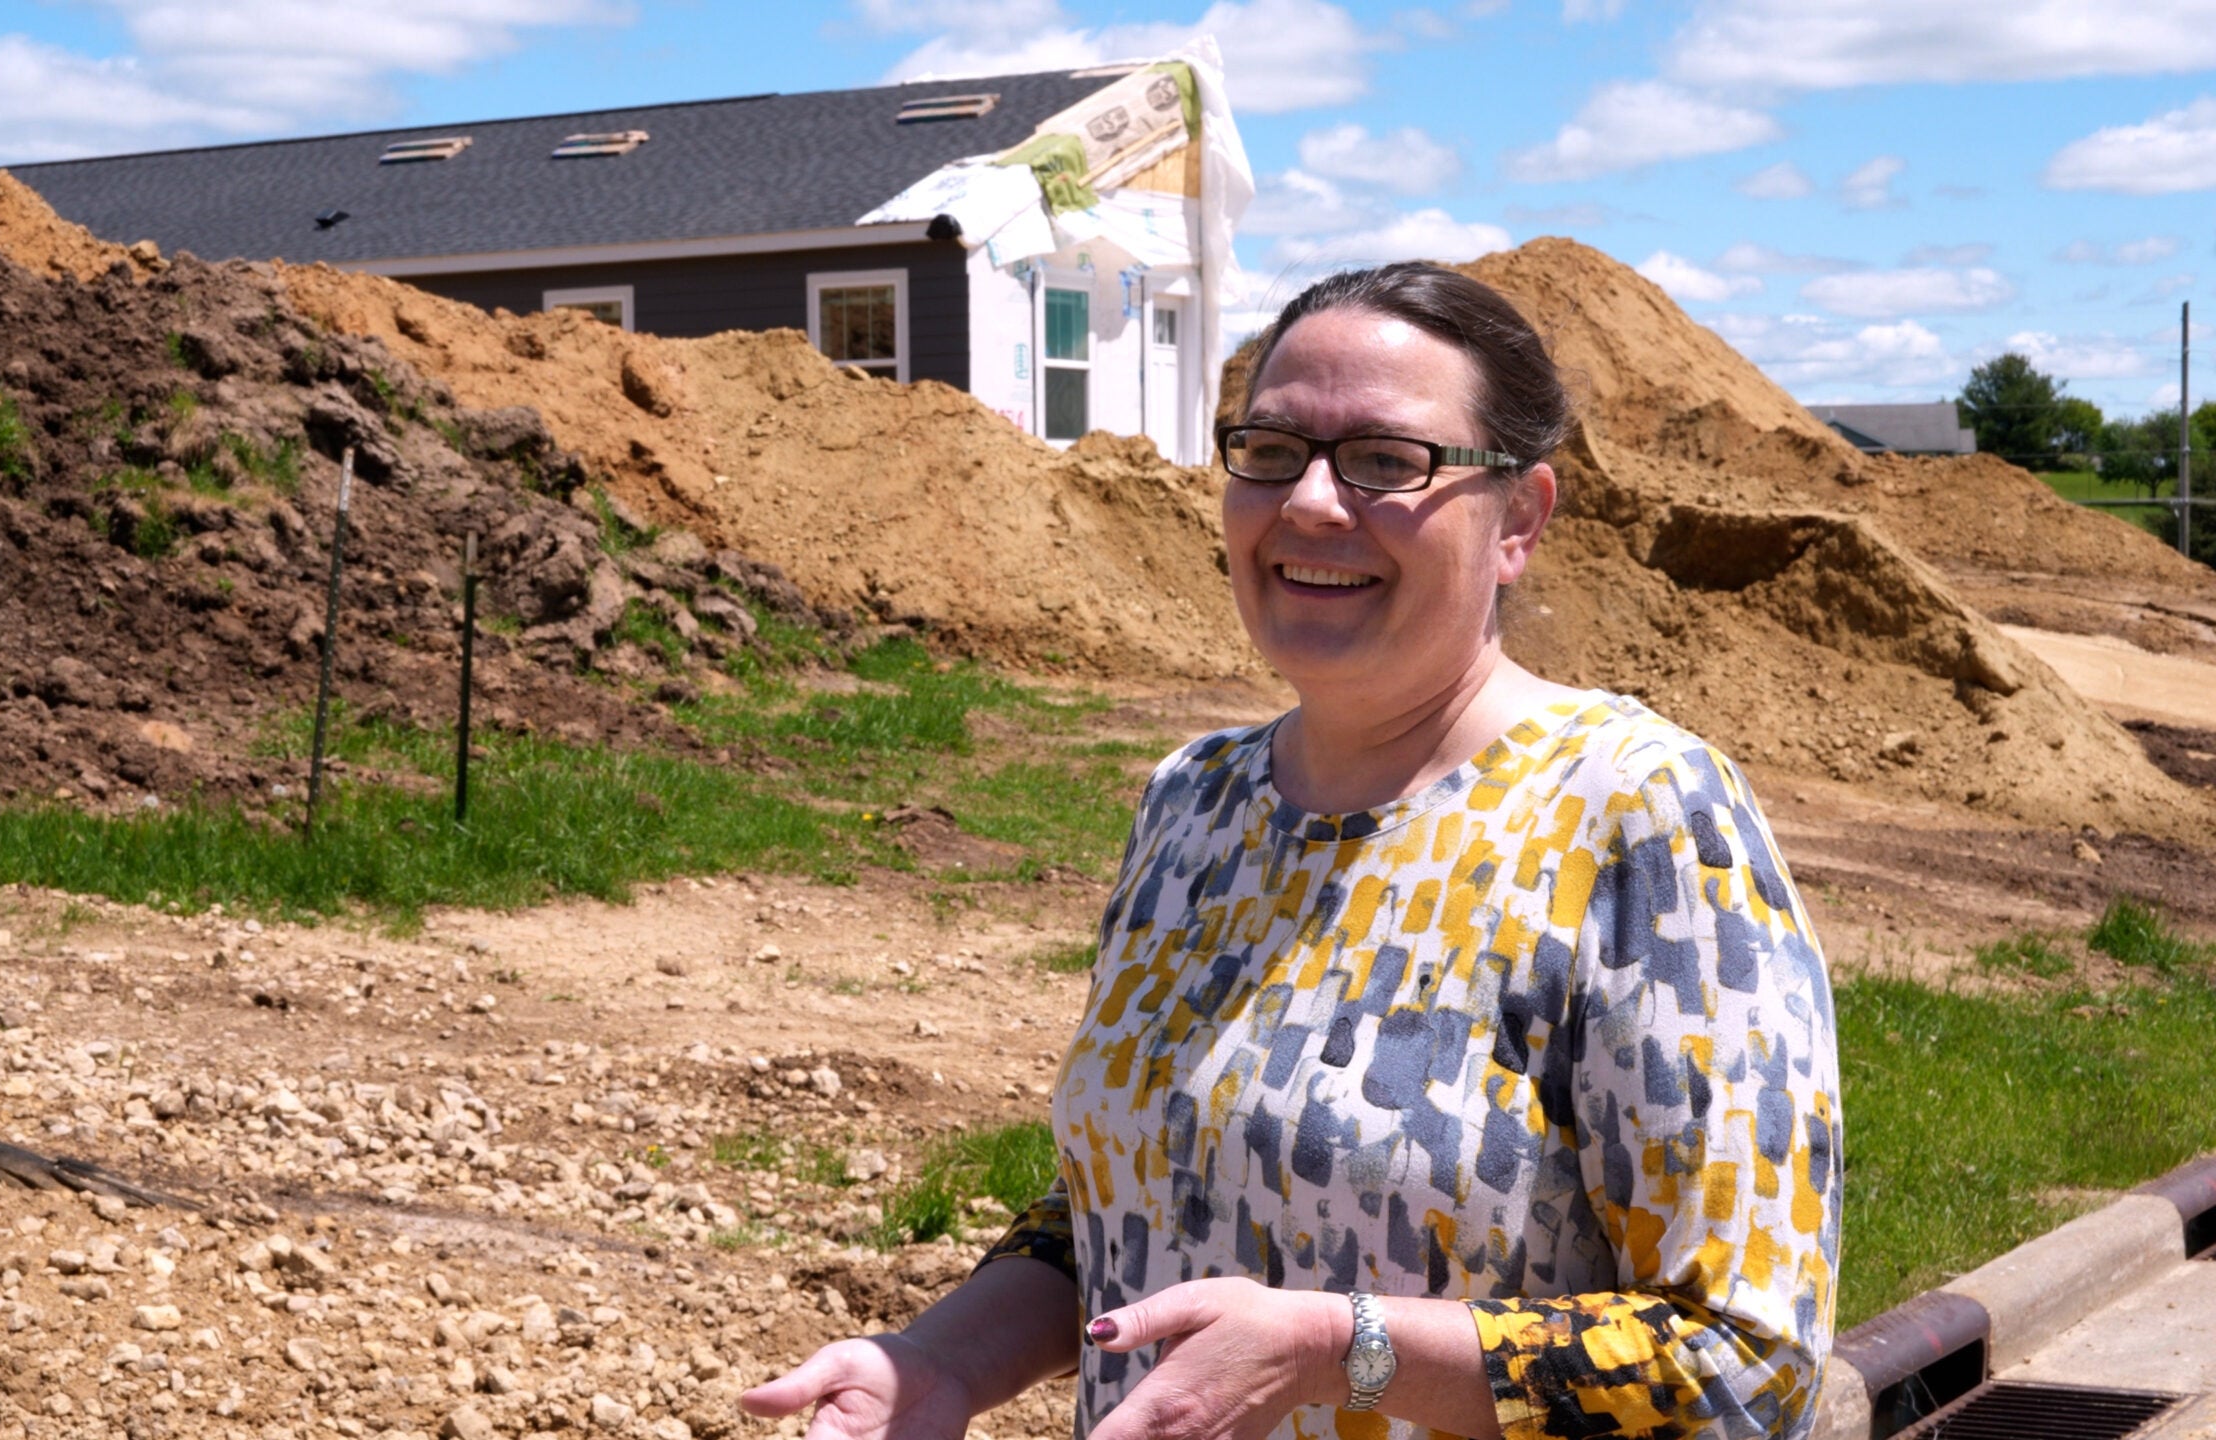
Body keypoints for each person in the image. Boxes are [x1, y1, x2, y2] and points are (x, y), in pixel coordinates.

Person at [743, 263, 1842, 1440]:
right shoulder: (1195, 801)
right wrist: (938, 1366)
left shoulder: (1638, 816)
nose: (1311, 502)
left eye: (1386, 461)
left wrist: (1340, 1352)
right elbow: (1128, 1204)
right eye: (1270, 449)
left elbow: (1743, 1365)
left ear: (1518, 519)